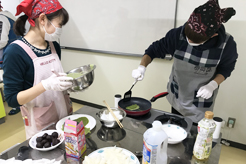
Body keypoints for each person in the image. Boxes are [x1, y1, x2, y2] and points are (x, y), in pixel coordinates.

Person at [132, 0, 238, 124]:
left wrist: (212, 85)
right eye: (188, 38)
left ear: (213, 35)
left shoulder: (227, 45)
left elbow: (226, 69)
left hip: (200, 103)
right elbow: (154, 50)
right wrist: (142, 67)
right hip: (177, 95)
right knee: (175, 127)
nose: (189, 42)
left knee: (194, 135)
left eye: (195, 42)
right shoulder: (178, 34)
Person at [3, 0, 73, 139]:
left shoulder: (54, 47)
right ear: (42, 19)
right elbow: (12, 99)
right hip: (41, 125)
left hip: (64, 116)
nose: (60, 30)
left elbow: (55, 79)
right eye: (59, 25)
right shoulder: (15, 52)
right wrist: (45, 85)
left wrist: (69, 84)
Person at [0, 1, 20, 115]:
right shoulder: (9, 15)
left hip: (8, 54)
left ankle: (17, 105)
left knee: (11, 81)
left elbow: (1, 41)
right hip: (15, 52)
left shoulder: (1, 18)